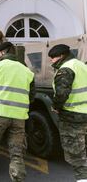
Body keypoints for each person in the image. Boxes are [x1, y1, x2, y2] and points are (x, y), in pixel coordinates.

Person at [0, 42, 35, 182]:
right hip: (19, 118)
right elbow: (31, 96)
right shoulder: (27, 71)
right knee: (17, 154)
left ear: (2, 53)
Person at [48, 44, 87, 182]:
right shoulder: (81, 65)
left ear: (61, 56)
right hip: (84, 114)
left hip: (73, 117)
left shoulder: (66, 69)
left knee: (77, 155)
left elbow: (61, 94)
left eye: (53, 57)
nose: (51, 60)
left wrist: (55, 106)